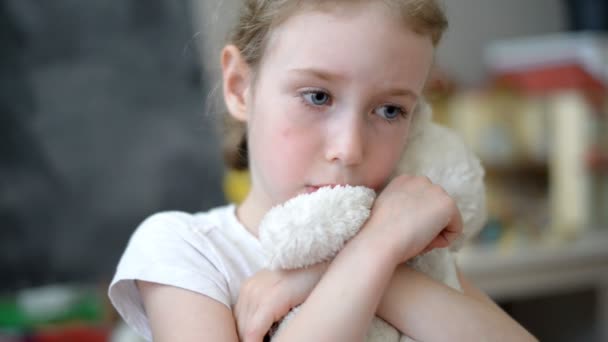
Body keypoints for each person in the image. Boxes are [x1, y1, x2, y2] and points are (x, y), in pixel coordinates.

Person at [109, 0, 537, 341]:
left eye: (389, 110)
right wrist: (374, 253)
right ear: (240, 86)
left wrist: (376, 262)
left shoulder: (408, 250)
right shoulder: (183, 250)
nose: (349, 149)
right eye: (317, 97)